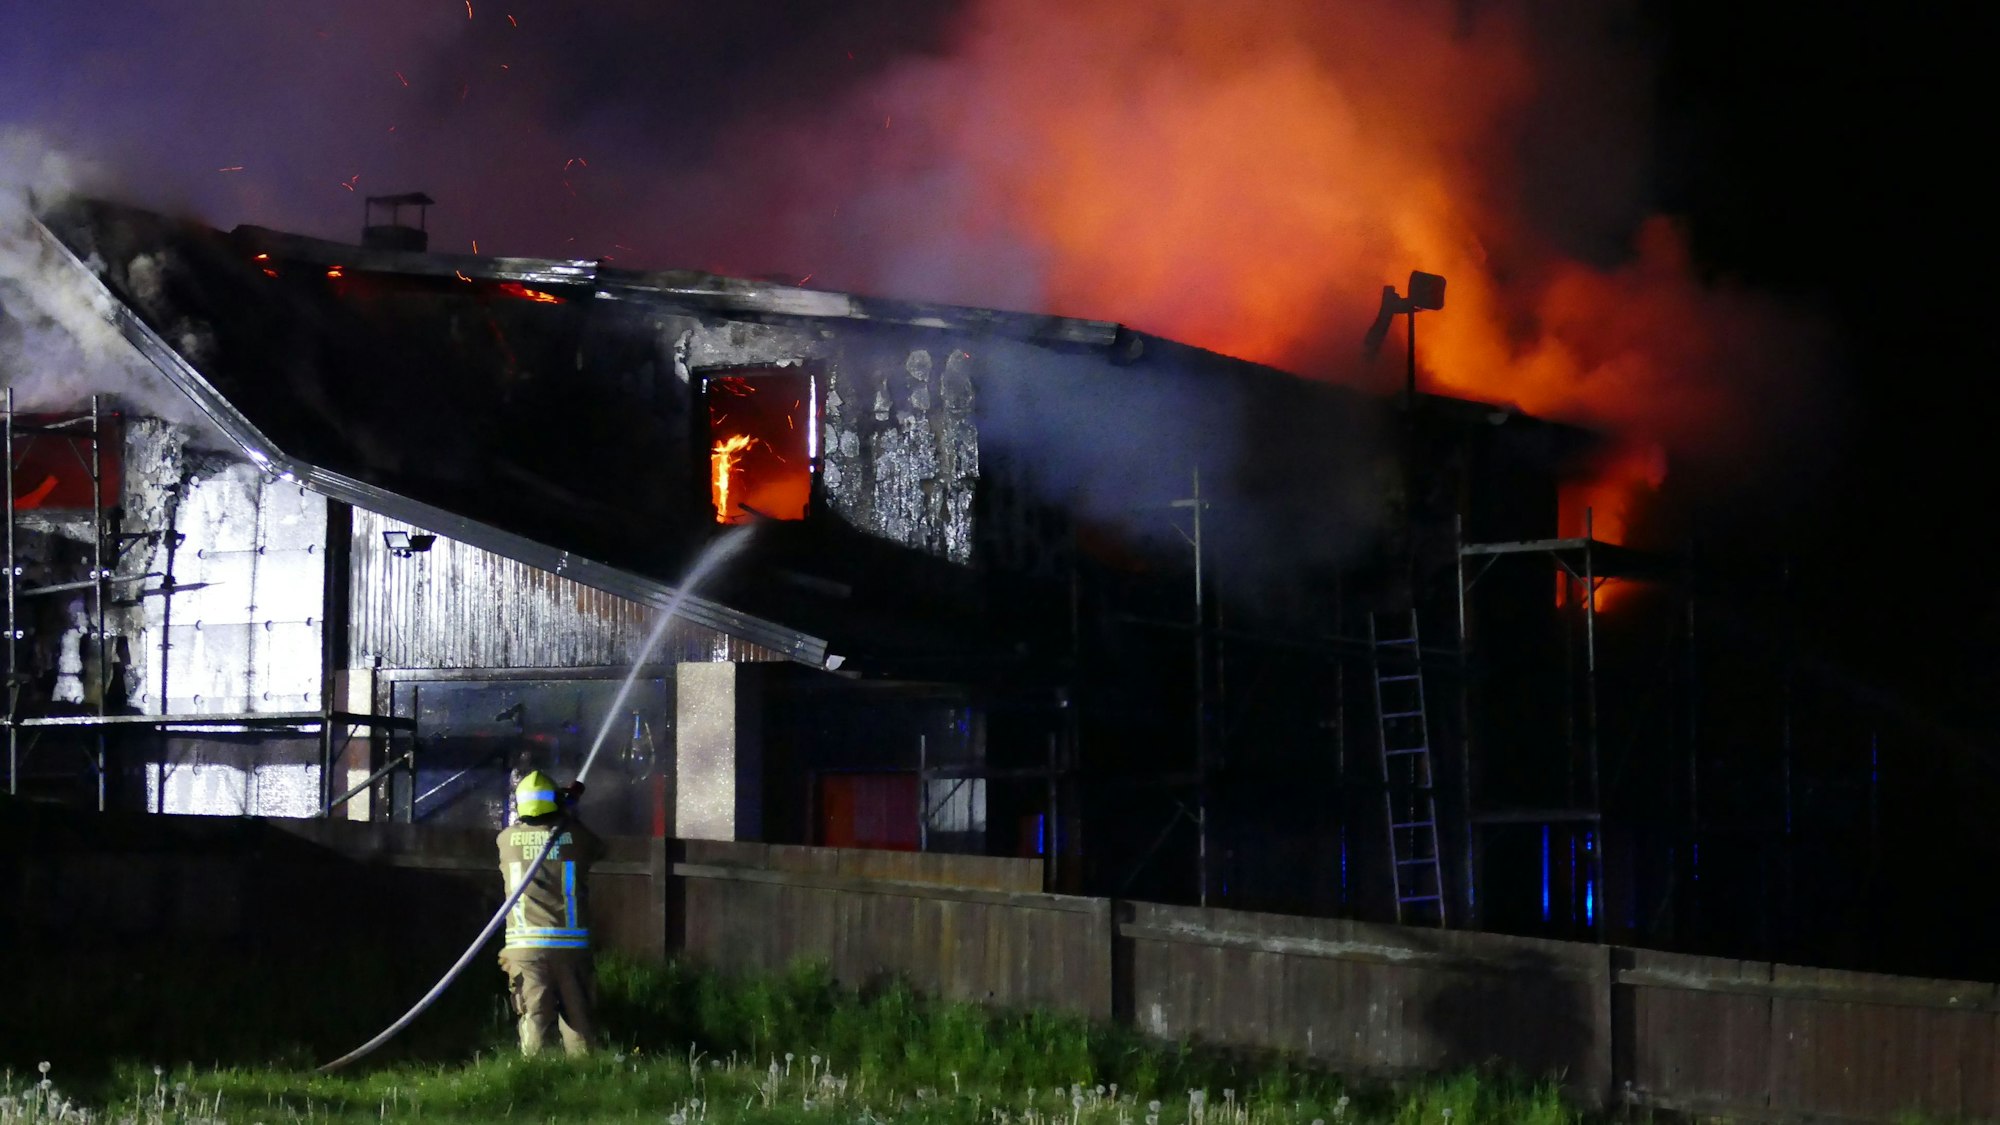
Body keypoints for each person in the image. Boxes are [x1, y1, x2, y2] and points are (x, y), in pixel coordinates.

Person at [495, 770, 605, 1056]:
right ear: (555, 801)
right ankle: (585, 1082)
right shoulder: (576, 837)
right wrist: (570, 813)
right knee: (579, 1023)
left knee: (533, 1019)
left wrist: (560, 811)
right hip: (570, 947)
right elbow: (600, 849)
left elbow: (529, 835)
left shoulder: (506, 840)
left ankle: (530, 1080)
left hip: (525, 948)